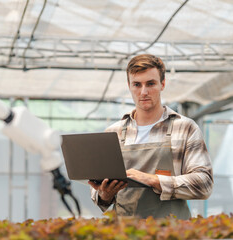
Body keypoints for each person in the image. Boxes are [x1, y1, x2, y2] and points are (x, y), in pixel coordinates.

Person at [88, 54, 213, 219]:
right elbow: (100, 198)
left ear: (162, 84)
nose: (143, 92)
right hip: (125, 232)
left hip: (172, 233)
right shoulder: (114, 133)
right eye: (137, 85)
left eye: (151, 84)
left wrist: (153, 180)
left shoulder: (184, 128)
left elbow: (204, 184)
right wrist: (104, 194)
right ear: (129, 86)